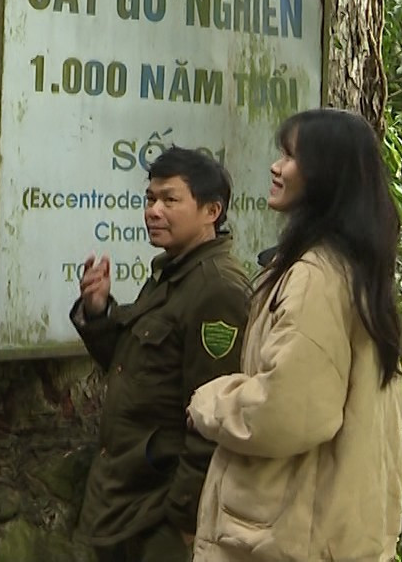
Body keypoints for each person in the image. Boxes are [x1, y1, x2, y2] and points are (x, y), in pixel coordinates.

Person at [187, 109, 402, 562]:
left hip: (288, 538)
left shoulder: (316, 276)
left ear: (325, 176)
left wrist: (210, 403)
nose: (275, 166)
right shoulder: (354, 268)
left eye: (290, 156)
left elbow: (290, 410)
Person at [71, 147, 253, 562]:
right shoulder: (171, 275)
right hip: (122, 499)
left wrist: (186, 518)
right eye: (150, 199)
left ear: (211, 210)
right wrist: (99, 311)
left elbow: (215, 418)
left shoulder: (218, 289)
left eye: (170, 200)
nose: (154, 211)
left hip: (161, 517)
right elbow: (134, 367)